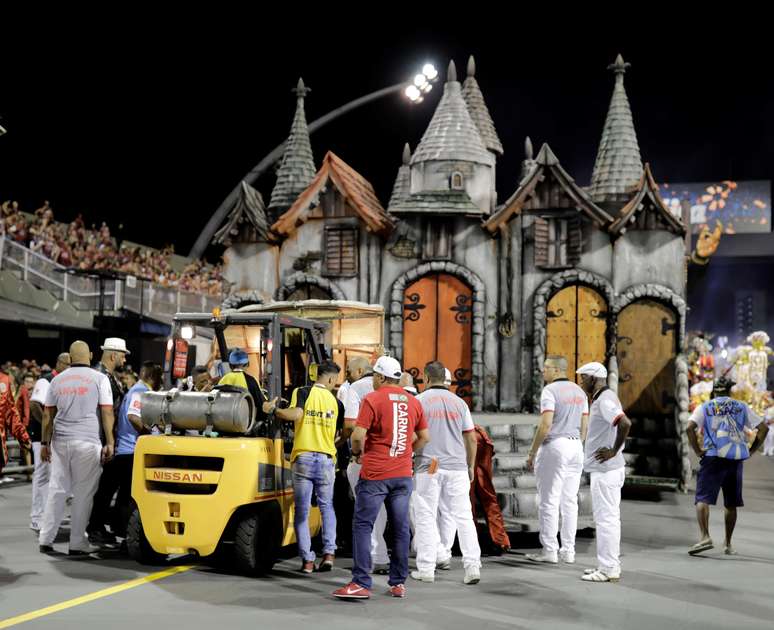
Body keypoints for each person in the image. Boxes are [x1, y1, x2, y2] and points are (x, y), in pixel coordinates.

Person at [333, 356, 429, 600]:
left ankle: (361, 582)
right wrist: (405, 452)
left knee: (363, 525)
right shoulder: (413, 401)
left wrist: (358, 454)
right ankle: (398, 583)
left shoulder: (373, 399)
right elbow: (424, 437)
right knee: (400, 528)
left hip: (375, 473)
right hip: (402, 474)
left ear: (379, 377)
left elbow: (357, 436)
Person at [266, 360, 343, 573]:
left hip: (304, 459)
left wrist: (273, 410)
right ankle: (329, 554)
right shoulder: (336, 402)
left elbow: (296, 414)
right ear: (330, 379)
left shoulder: (303, 392)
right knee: (327, 507)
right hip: (326, 460)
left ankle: (308, 561)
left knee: (302, 511)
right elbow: (340, 433)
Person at [39, 341, 114, 556]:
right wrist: (110, 442)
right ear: (90, 355)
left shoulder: (57, 380)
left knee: (57, 490)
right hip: (87, 442)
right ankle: (77, 543)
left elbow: (47, 415)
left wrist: (44, 443)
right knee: (83, 493)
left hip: (60, 442)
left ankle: (46, 538)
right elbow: (107, 412)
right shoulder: (100, 379)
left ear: (70, 358)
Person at [412, 361, 481, 585]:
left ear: (426, 378)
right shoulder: (460, 403)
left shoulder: (419, 401)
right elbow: (471, 438)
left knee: (426, 515)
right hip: (457, 466)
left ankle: (426, 569)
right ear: (445, 378)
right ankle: (472, 566)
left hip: (430, 465)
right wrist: (470, 465)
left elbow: (413, 435)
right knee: (464, 517)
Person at [686, 377, 769, 556]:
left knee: (703, 499)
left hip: (712, 457)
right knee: (731, 503)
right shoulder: (741, 407)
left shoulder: (705, 407)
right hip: (734, 459)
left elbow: (689, 428)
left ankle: (705, 537)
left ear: (714, 391)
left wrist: (698, 450)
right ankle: (728, 544)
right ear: (729, 391)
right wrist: (751, 451)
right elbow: (763, 428)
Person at [525, 356, 588, 565]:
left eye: (546, 368)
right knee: (569, 502)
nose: (542, 371)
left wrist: (532, 452)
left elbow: (545, 425)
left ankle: (549, 550)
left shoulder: (550, 391)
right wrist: (578, 443)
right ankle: (568, 551)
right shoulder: (580, 392)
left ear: (556, 370)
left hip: (555, 446)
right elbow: (584, 424)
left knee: (549, 501)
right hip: (576, 446)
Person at [576, 361, 631, 583]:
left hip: (606, 470)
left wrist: (613, 451)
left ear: (593, 378)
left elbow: (625, 423)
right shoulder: (603, 398)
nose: (581, 383)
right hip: (607, 470)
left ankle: (608, 568)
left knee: (605, 520)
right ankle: (608, 564)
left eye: (583, 378)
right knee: (609, 519)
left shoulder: (605, 399)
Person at [338, 356, 390, 574]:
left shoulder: (356, 388)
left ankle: (373, 556)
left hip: (365, 457)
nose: (348, 376)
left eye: (349, 371)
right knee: (383, 507)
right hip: (390, 457)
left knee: (365, 508)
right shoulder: (393, 391)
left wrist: (350, 449)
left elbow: (351, 425)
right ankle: (382, 554)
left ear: (360, 371)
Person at [112, 362, 163, 539]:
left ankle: (119, 531)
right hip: (131, 451)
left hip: (126, 450)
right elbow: (133, 416)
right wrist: (148, 432)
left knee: (125, 494)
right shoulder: (140, 391)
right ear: (152, 377)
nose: (161, 381)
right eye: (159, 377)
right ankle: (125, 535)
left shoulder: (136, 390)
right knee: (130, 496)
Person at [28, 353, 70, 531]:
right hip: (41, 436)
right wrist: (48, 427)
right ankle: (37, 517)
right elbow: (34, 405)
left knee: (53, 477)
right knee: (42, 475)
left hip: (51, 437)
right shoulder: (46, 380)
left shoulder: (62, 381)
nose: (70, 368)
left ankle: (47, 515)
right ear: (59, 363)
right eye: (67, 364)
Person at [1, 365, 30, 475]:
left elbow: (13, 412)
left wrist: (23, 434)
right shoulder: (4, 382)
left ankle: (29, 472)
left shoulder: (5, 382)